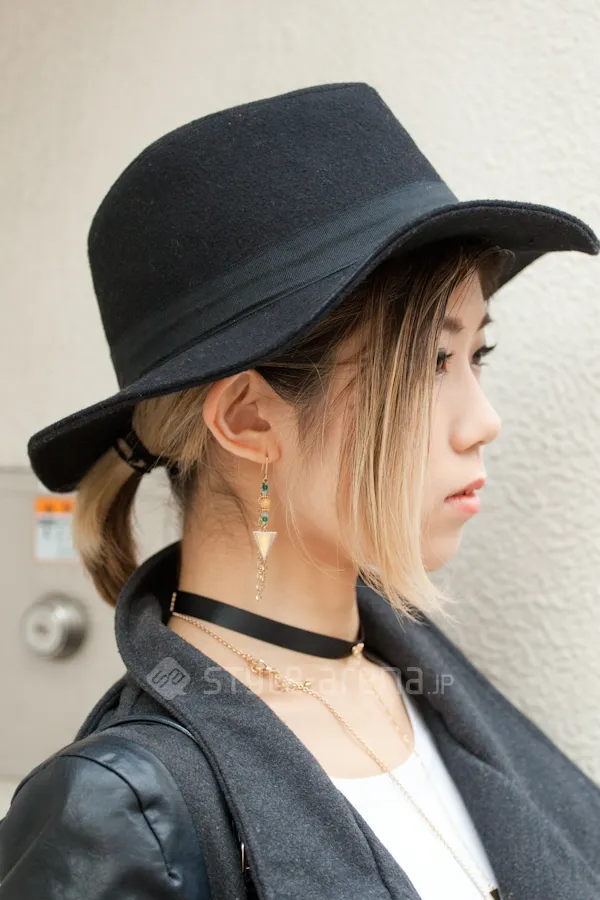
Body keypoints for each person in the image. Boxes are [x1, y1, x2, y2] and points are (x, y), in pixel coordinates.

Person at [1, 82, 599, 900]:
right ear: (249, 419)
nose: (483, 422)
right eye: (432, 361)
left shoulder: (426, 688)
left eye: (476, 357)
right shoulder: (119, 814)